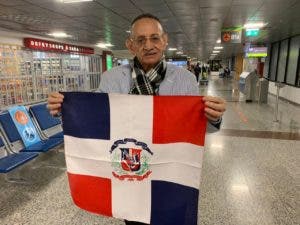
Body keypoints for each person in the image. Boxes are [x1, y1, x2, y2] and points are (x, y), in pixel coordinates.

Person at [48, 13, 226, 225]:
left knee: (172, 215)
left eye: (154, 38)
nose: (148, 45)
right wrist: (65, 109)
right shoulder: (111, 79)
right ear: (130, 45)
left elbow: (195, 128)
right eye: (140, 40)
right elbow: (94, 121)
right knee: (135, 219)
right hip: (131, 169)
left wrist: (214, 116)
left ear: (165, 40)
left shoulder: (185, 80)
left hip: (170, 170)